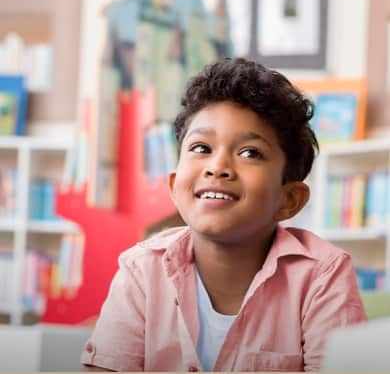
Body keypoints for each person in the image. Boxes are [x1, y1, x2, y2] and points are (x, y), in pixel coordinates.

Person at [81, 58, 367, 372]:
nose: (217, 166)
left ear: (289, 199)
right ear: (175, 187)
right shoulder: (141, 270)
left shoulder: (323, 275)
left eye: (250, 153)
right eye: (201, 147)